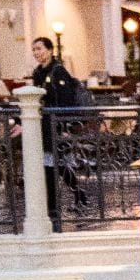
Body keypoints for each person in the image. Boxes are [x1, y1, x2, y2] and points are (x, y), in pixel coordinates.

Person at [29, 37, 87, 209]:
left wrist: (66, 126)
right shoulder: (37, 72)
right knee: (52, 165)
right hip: (43, 125)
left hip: (57, 125)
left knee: (57, 164)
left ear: (50, 50)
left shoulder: (58, 71)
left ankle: (55, 206)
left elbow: (66, 100)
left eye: (39, 49)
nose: (36, 53)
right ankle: (73, 196)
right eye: (34, 50)